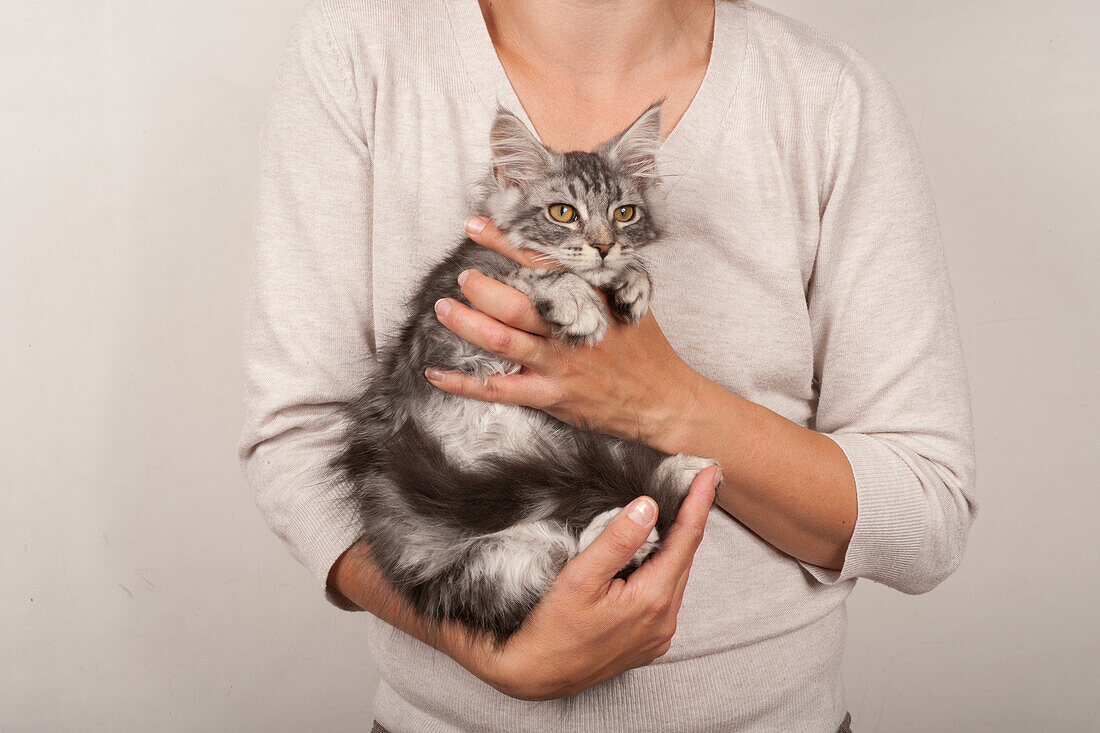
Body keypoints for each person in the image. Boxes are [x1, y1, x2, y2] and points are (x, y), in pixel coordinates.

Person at [237, 0, 978, 730]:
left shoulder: (826, 97)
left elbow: (925, 514)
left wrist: (665, 401)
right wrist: (495, 656)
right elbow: (296, 441)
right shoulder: (358, 51)